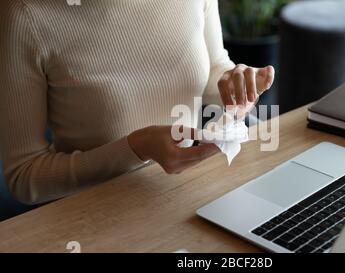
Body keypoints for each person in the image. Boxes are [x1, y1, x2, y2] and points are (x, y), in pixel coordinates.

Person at [0, 0, 275, 205]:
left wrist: (236, 86)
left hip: (187, 199)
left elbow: (214, 67)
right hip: (92, 219)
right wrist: (136, 148)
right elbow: (25, 175)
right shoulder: (25, 14)